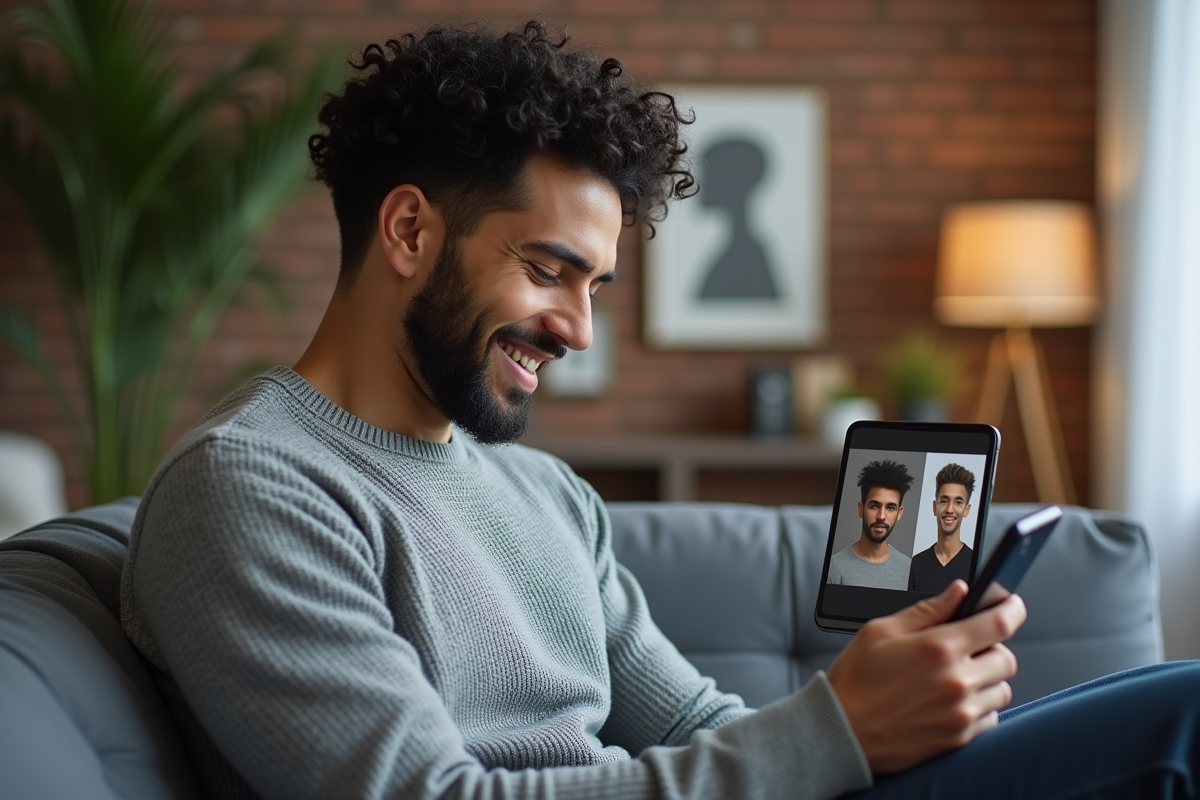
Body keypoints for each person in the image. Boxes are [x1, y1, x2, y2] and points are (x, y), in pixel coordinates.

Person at [120, 20, 1199, 800]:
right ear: (409, 232)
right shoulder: (253, 487)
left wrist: (888, 717)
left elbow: (697, 725)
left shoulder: (544, 492)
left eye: (595, 285)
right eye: (548, 270)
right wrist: (835, 729)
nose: (578, 329)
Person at [827, 460, 914, 590]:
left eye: (890, 508)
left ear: (899, 513)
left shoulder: (910, 570)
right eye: (874, 506)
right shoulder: (833, 568)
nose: (881, 516)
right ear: (860, 509)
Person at [908, 463, 976, 594]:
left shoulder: (976, 565)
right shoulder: (916, 564)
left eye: (958, 502)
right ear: (935, 507)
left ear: (966, 509)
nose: (949, 509)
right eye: (944, 501)